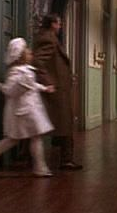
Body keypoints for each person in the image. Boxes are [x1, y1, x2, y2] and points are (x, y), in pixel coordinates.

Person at [0, 37, 55, 177]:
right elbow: (10, 90)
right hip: (22, 111)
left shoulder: (26, 70)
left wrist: (44, 88)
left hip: (29, 108)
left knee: (25, 137)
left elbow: (32, 85)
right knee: (17, 138)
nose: (30, 52)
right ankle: (39, 167)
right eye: (27, 50)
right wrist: (22, 85)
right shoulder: (16, 72)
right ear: (20, 55)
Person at [32, 13, 82, 170]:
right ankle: (66, 160)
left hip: (59, 89)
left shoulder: (49, 37)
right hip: (55, 90)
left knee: (62, 124)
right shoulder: (48, 38)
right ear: (53, 24)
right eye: (59, 23)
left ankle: (64, 159)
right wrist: (48, 82)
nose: (60, 26)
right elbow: (38, 61)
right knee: (65, 124)